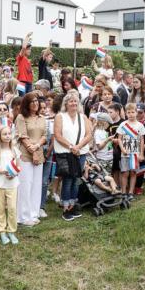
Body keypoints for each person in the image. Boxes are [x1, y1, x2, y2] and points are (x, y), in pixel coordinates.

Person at [54, 90, 93, 221]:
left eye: (75, 101)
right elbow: (58, 135)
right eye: (71, 101)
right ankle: (66, 207)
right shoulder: (60, 116)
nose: (73, 103)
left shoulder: (83, 117)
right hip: (65, 153)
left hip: (80, 152)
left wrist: (78, 147)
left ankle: (73, 204)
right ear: (66, 103)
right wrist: (71, 147)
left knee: (76, 179)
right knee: (68, 179)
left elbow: (88, 135)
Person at [14, 91, 47, 227]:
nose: (35, 103)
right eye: (32, 101)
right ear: (27, 104)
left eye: (36, 101)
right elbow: (22, 136)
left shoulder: (42, 118)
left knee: (36, 185)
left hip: (38, 152)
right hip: (25, 155)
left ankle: (33, 213)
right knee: (25, 185)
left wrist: (37, 146)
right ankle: (23, 216)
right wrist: (32, 150)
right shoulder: (21, 117)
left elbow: (44, 135)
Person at [0, 125, 21, 245]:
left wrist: (14, 173)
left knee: (12, 208)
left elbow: (18, 166)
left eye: (9, 133)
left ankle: (11, 231)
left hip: (12, 183)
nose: (7, 136)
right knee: (0, 208)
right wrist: (2, 171)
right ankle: (2, 231)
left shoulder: (15, 150)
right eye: (5, 134)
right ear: (0, 136)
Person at [117, 103, 145, 197]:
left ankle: (131, 192)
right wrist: (122, 149)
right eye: (128, 112)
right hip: (125, 153)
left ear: (136, 112)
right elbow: (119, 139)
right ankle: (123, 191)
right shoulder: (123, 124)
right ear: (126, 113)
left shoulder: (140, 125)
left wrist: (141, 154)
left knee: (133, 172)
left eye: (133, 112)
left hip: (135, 153)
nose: (131, 114)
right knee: (125, 172)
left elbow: (142, 140)